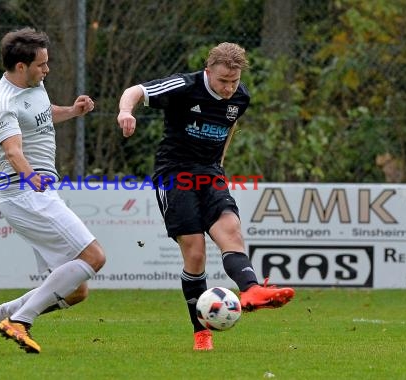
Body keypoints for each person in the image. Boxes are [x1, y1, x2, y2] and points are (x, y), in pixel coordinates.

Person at [116, 42, 295, 351]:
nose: (229, 88)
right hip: (174, 173)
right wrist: (124, 112)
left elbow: (229, 126)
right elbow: (135, 90)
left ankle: (251, 291)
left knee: (231, 230)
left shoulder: (241, 97)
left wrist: (219, 167)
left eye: (234, 81)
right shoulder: (185, 86)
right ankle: (201, 333)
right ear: (208, 71)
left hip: (210, 173)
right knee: (196, 253)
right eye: (223, 80)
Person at [0, 27, 106, 354]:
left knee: (75, 291)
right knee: (95, 256)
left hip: (37, 192)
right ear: (20, 66)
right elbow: (14, 151)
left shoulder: (34, 85)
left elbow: (41, 115)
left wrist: (71, 111)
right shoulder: (3, 103)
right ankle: (20, 321)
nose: (47, 69)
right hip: (26, 194)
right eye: (41, 64)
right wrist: (31, 178)